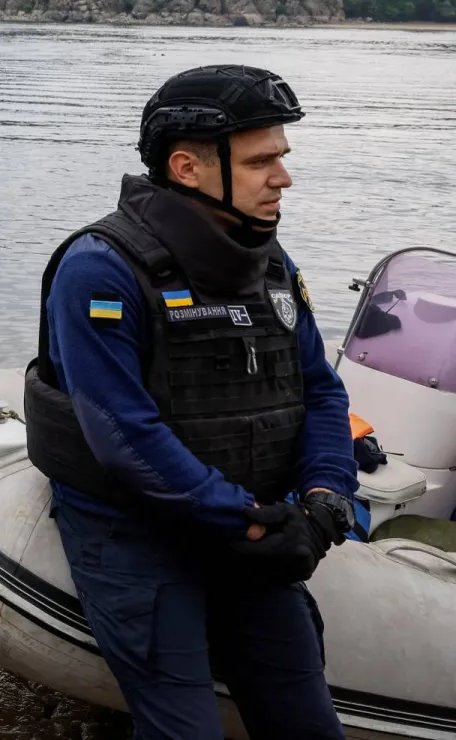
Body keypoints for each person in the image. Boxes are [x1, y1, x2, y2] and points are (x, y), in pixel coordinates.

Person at [23, 65, 358, 739]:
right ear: (187, 167)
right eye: (263, 161)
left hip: (249, 522)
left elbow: (318, 389)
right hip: (139, 533)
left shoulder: (270, 265)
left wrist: (324, 501)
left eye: (281, 159)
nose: (283, 178)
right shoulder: (101, 270)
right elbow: (125, 437)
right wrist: (244, 519)